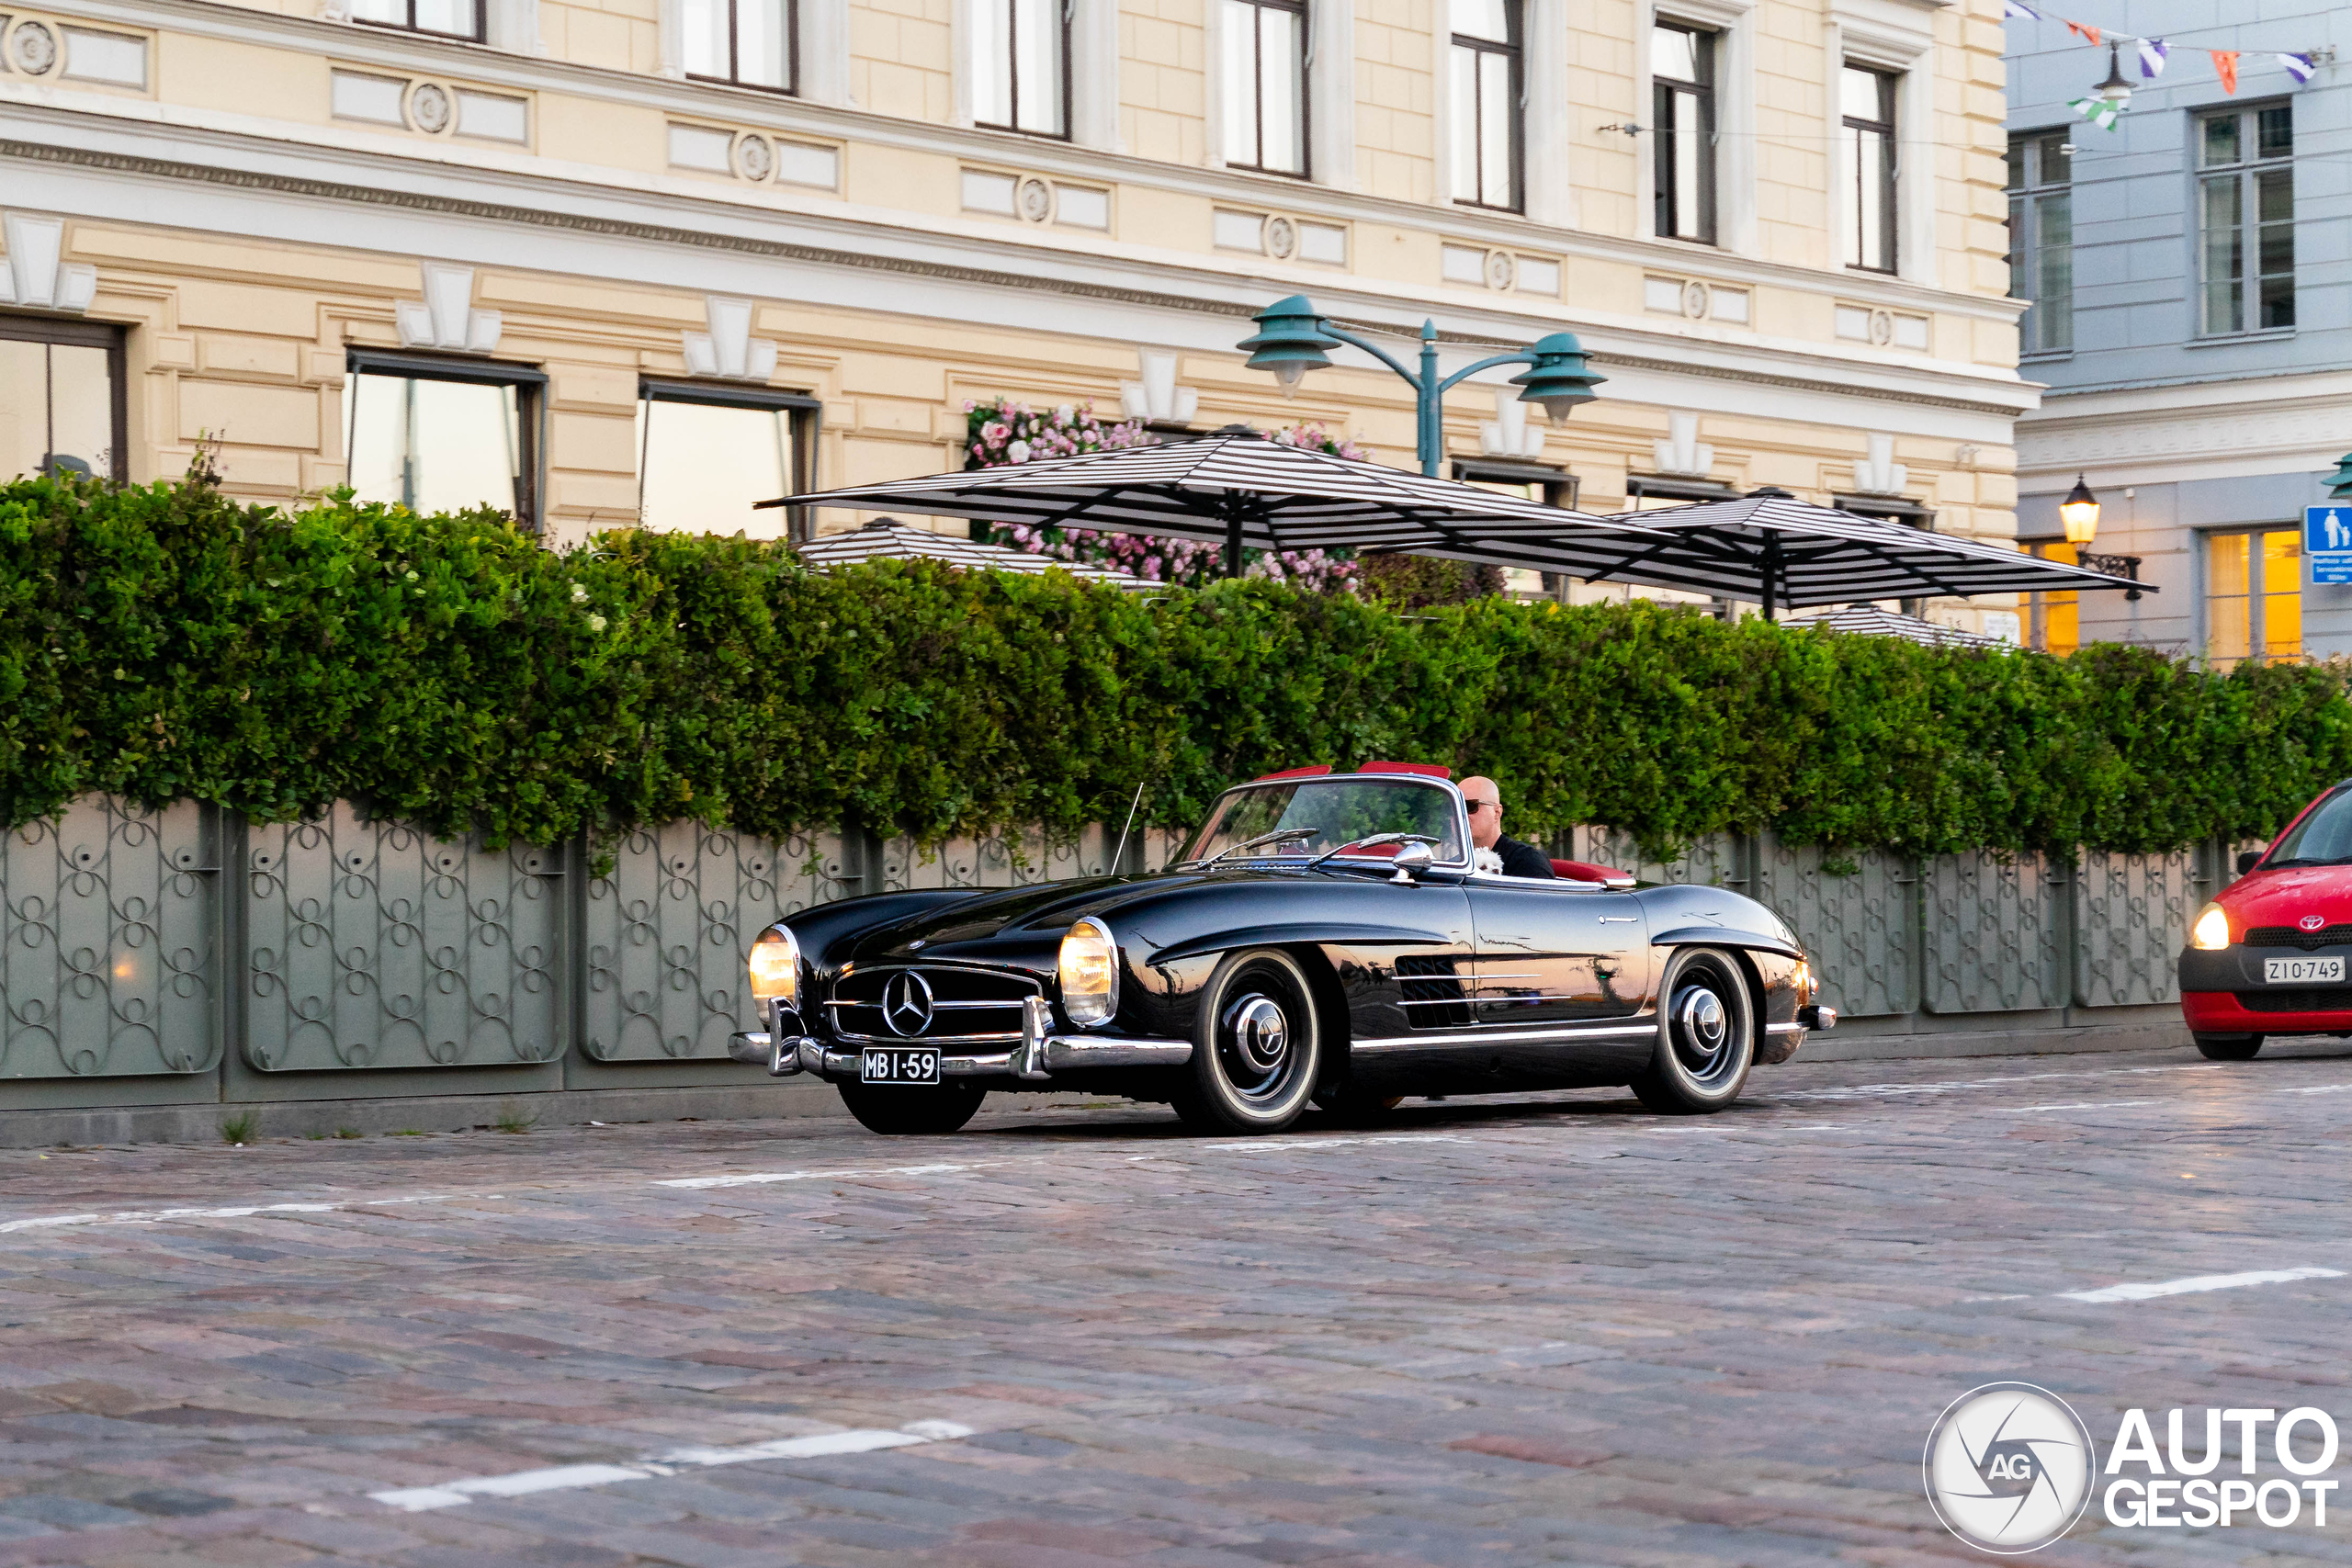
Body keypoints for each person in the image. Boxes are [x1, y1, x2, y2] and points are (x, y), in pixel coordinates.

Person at [1459, 776, 1554, 878]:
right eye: (1457, 808)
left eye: (1470, 807)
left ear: (1496, 812)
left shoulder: (1527, 861)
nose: (1462, 815)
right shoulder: (1456, 864)